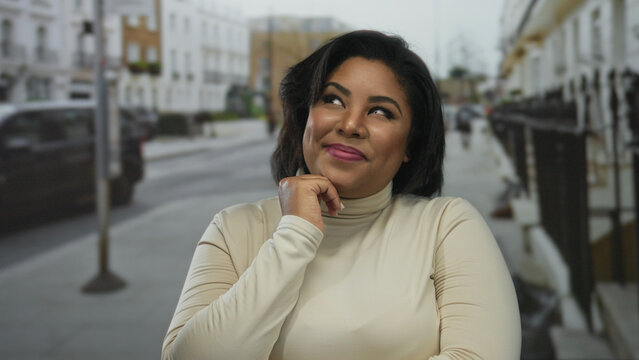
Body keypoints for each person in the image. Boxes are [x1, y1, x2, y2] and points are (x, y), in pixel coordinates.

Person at [162, 30, 521, 360]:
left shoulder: (447, 227)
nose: (350, 125)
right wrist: (294, 237)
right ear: (306, 116)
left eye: (380, 111)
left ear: (410, 143)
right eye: (333, 100)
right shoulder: (234, 229)